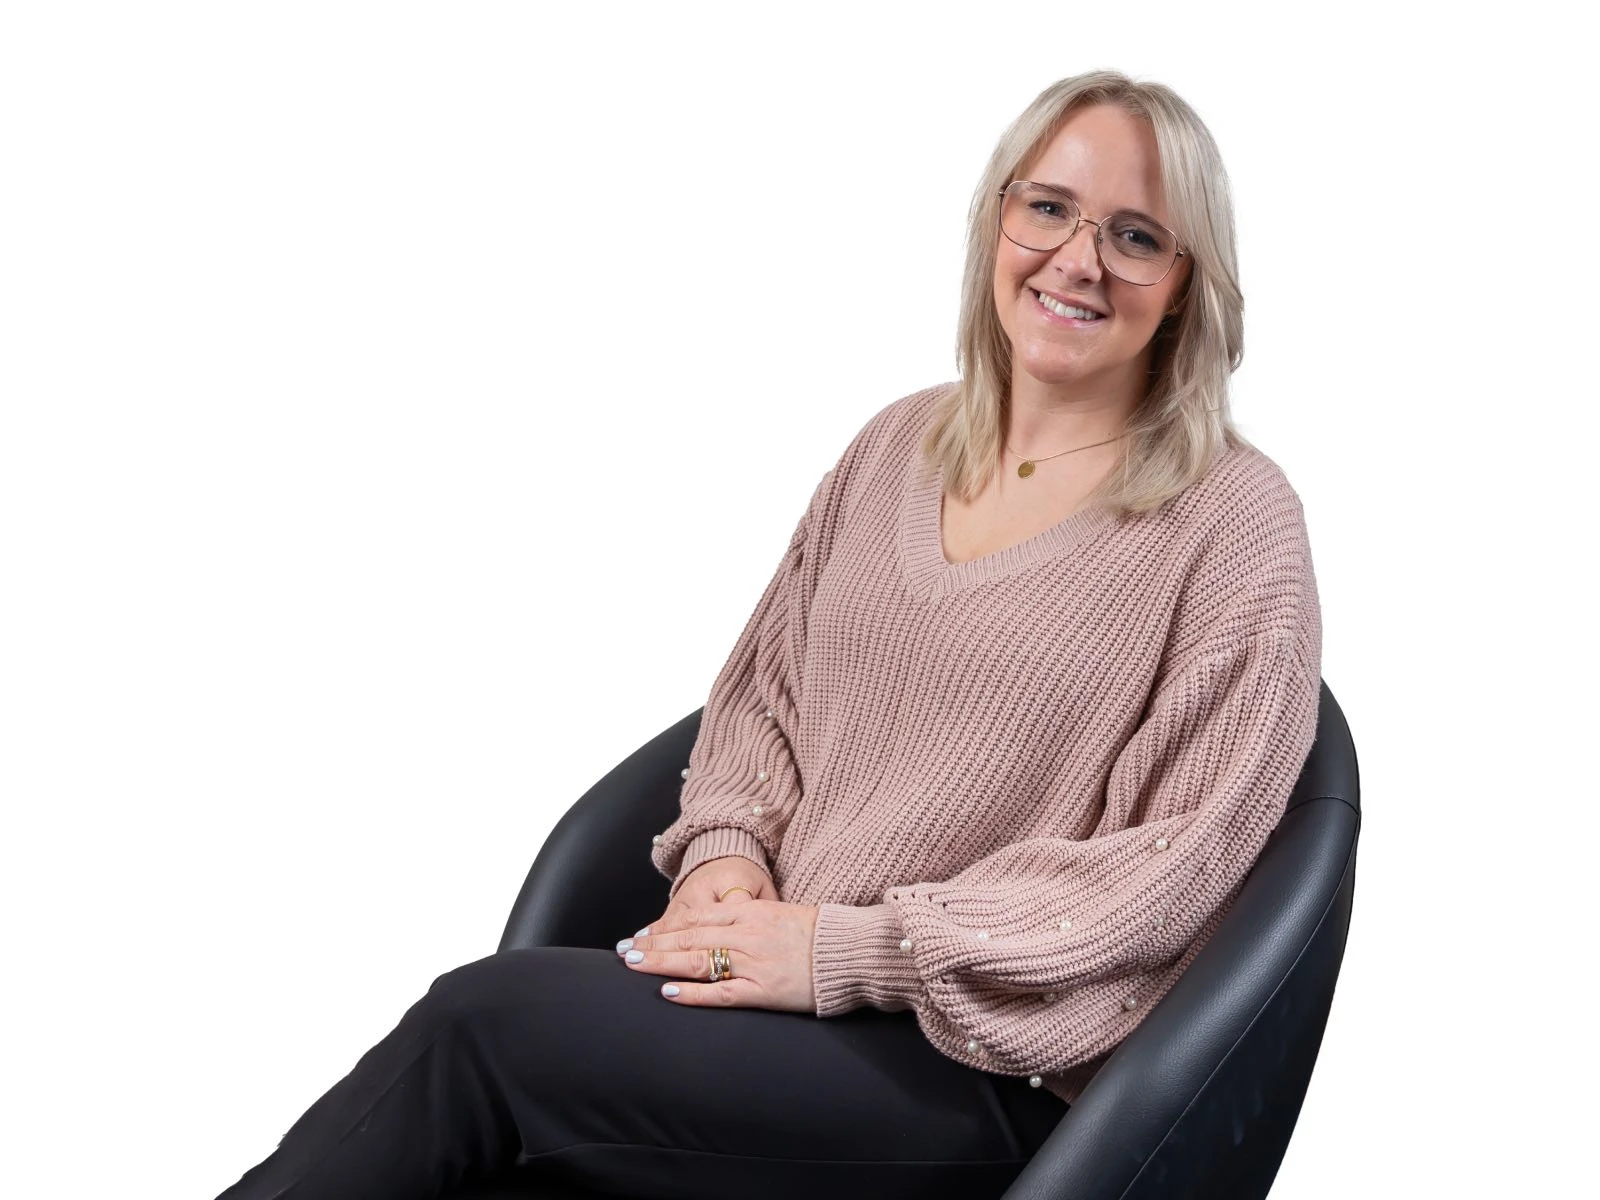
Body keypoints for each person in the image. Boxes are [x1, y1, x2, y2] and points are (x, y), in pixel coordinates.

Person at [213, 68, 1322, 1200]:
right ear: (997, 219)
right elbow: (758, 708)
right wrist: (725, 865)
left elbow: (1169, 870)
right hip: (772, 1001)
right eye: (1047, 208)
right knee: (496, 1134)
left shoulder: (1233, 525)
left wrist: (842, 952)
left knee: (479, 1030)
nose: (1077, 260)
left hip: (980, 1079)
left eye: (1135, 236)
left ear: (1186, 286)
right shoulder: (899, 446)